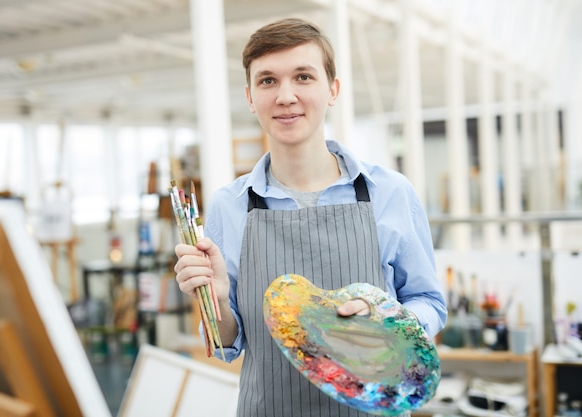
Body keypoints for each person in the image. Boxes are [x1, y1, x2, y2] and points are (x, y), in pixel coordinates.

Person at [174, 17, 447, 417]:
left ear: (332, 89)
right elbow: (225, 344)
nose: (285, 96)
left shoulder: (389, 193)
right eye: (267, 81)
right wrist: (214, 300)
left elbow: (429, 303)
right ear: (250, 96)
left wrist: (389, 317)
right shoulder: (229, 206)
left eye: (303, 76)